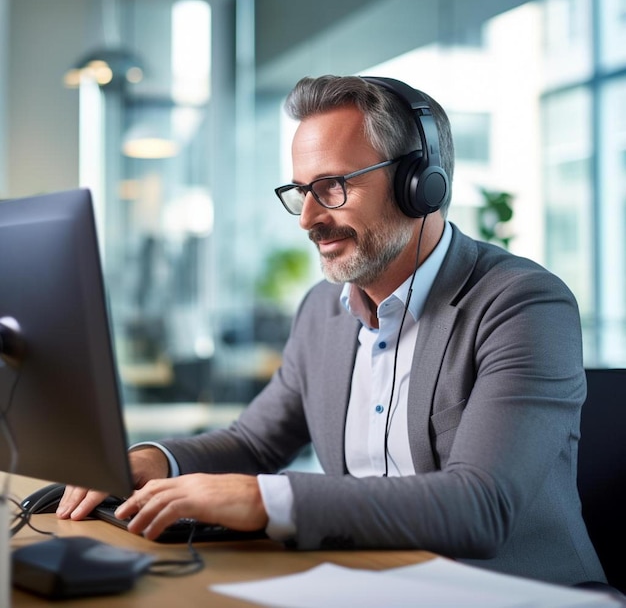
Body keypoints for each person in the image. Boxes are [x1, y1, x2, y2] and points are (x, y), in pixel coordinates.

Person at [58, 75, 606, 587]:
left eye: (334, 186)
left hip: (511, 592)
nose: (308, 219)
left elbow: (482, 506)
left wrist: (265, 501)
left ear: (420, 184)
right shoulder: (323, 311)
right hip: (371, 582)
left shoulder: (523, 304)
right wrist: (158, 462)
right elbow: (254, 443)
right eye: (301, 191)